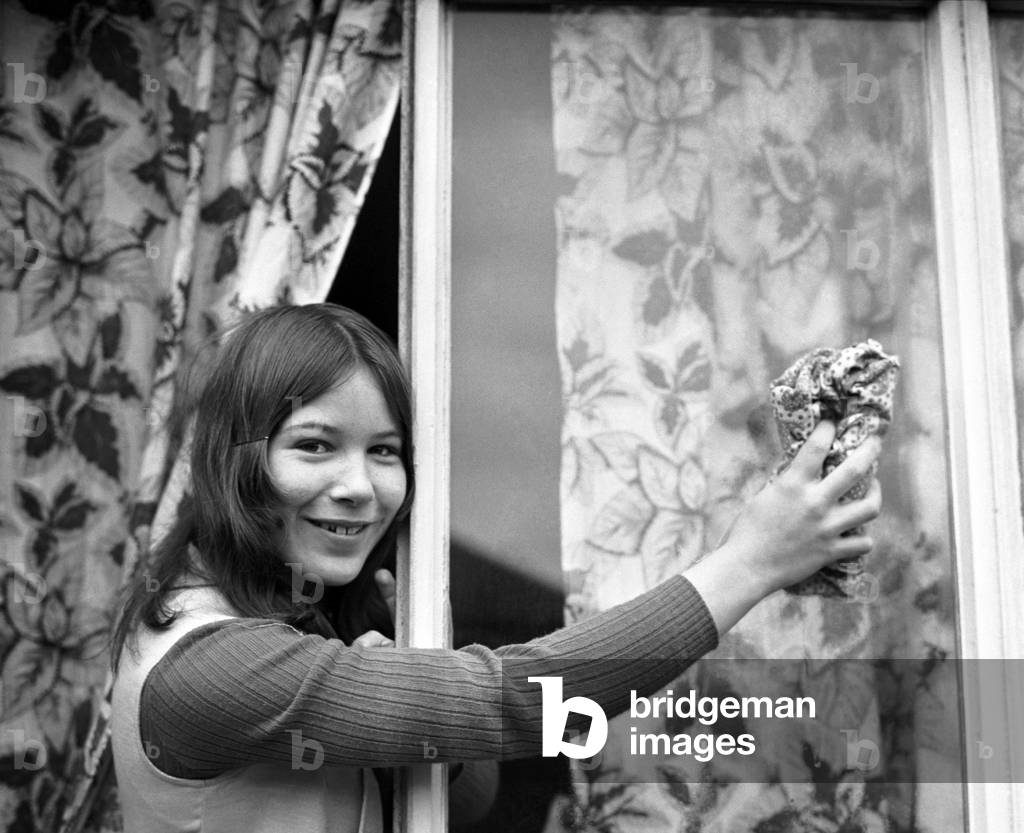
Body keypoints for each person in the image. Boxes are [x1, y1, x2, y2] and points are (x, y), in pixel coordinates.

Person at [108, 303, 882, 833]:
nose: (360, 485)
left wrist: (419, 681)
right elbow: (518, 701)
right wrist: (752, 561)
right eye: (315, 444)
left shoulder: (293, 608)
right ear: (234, 460)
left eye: (385, 451)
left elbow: (467, 799)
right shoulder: (211, 665)